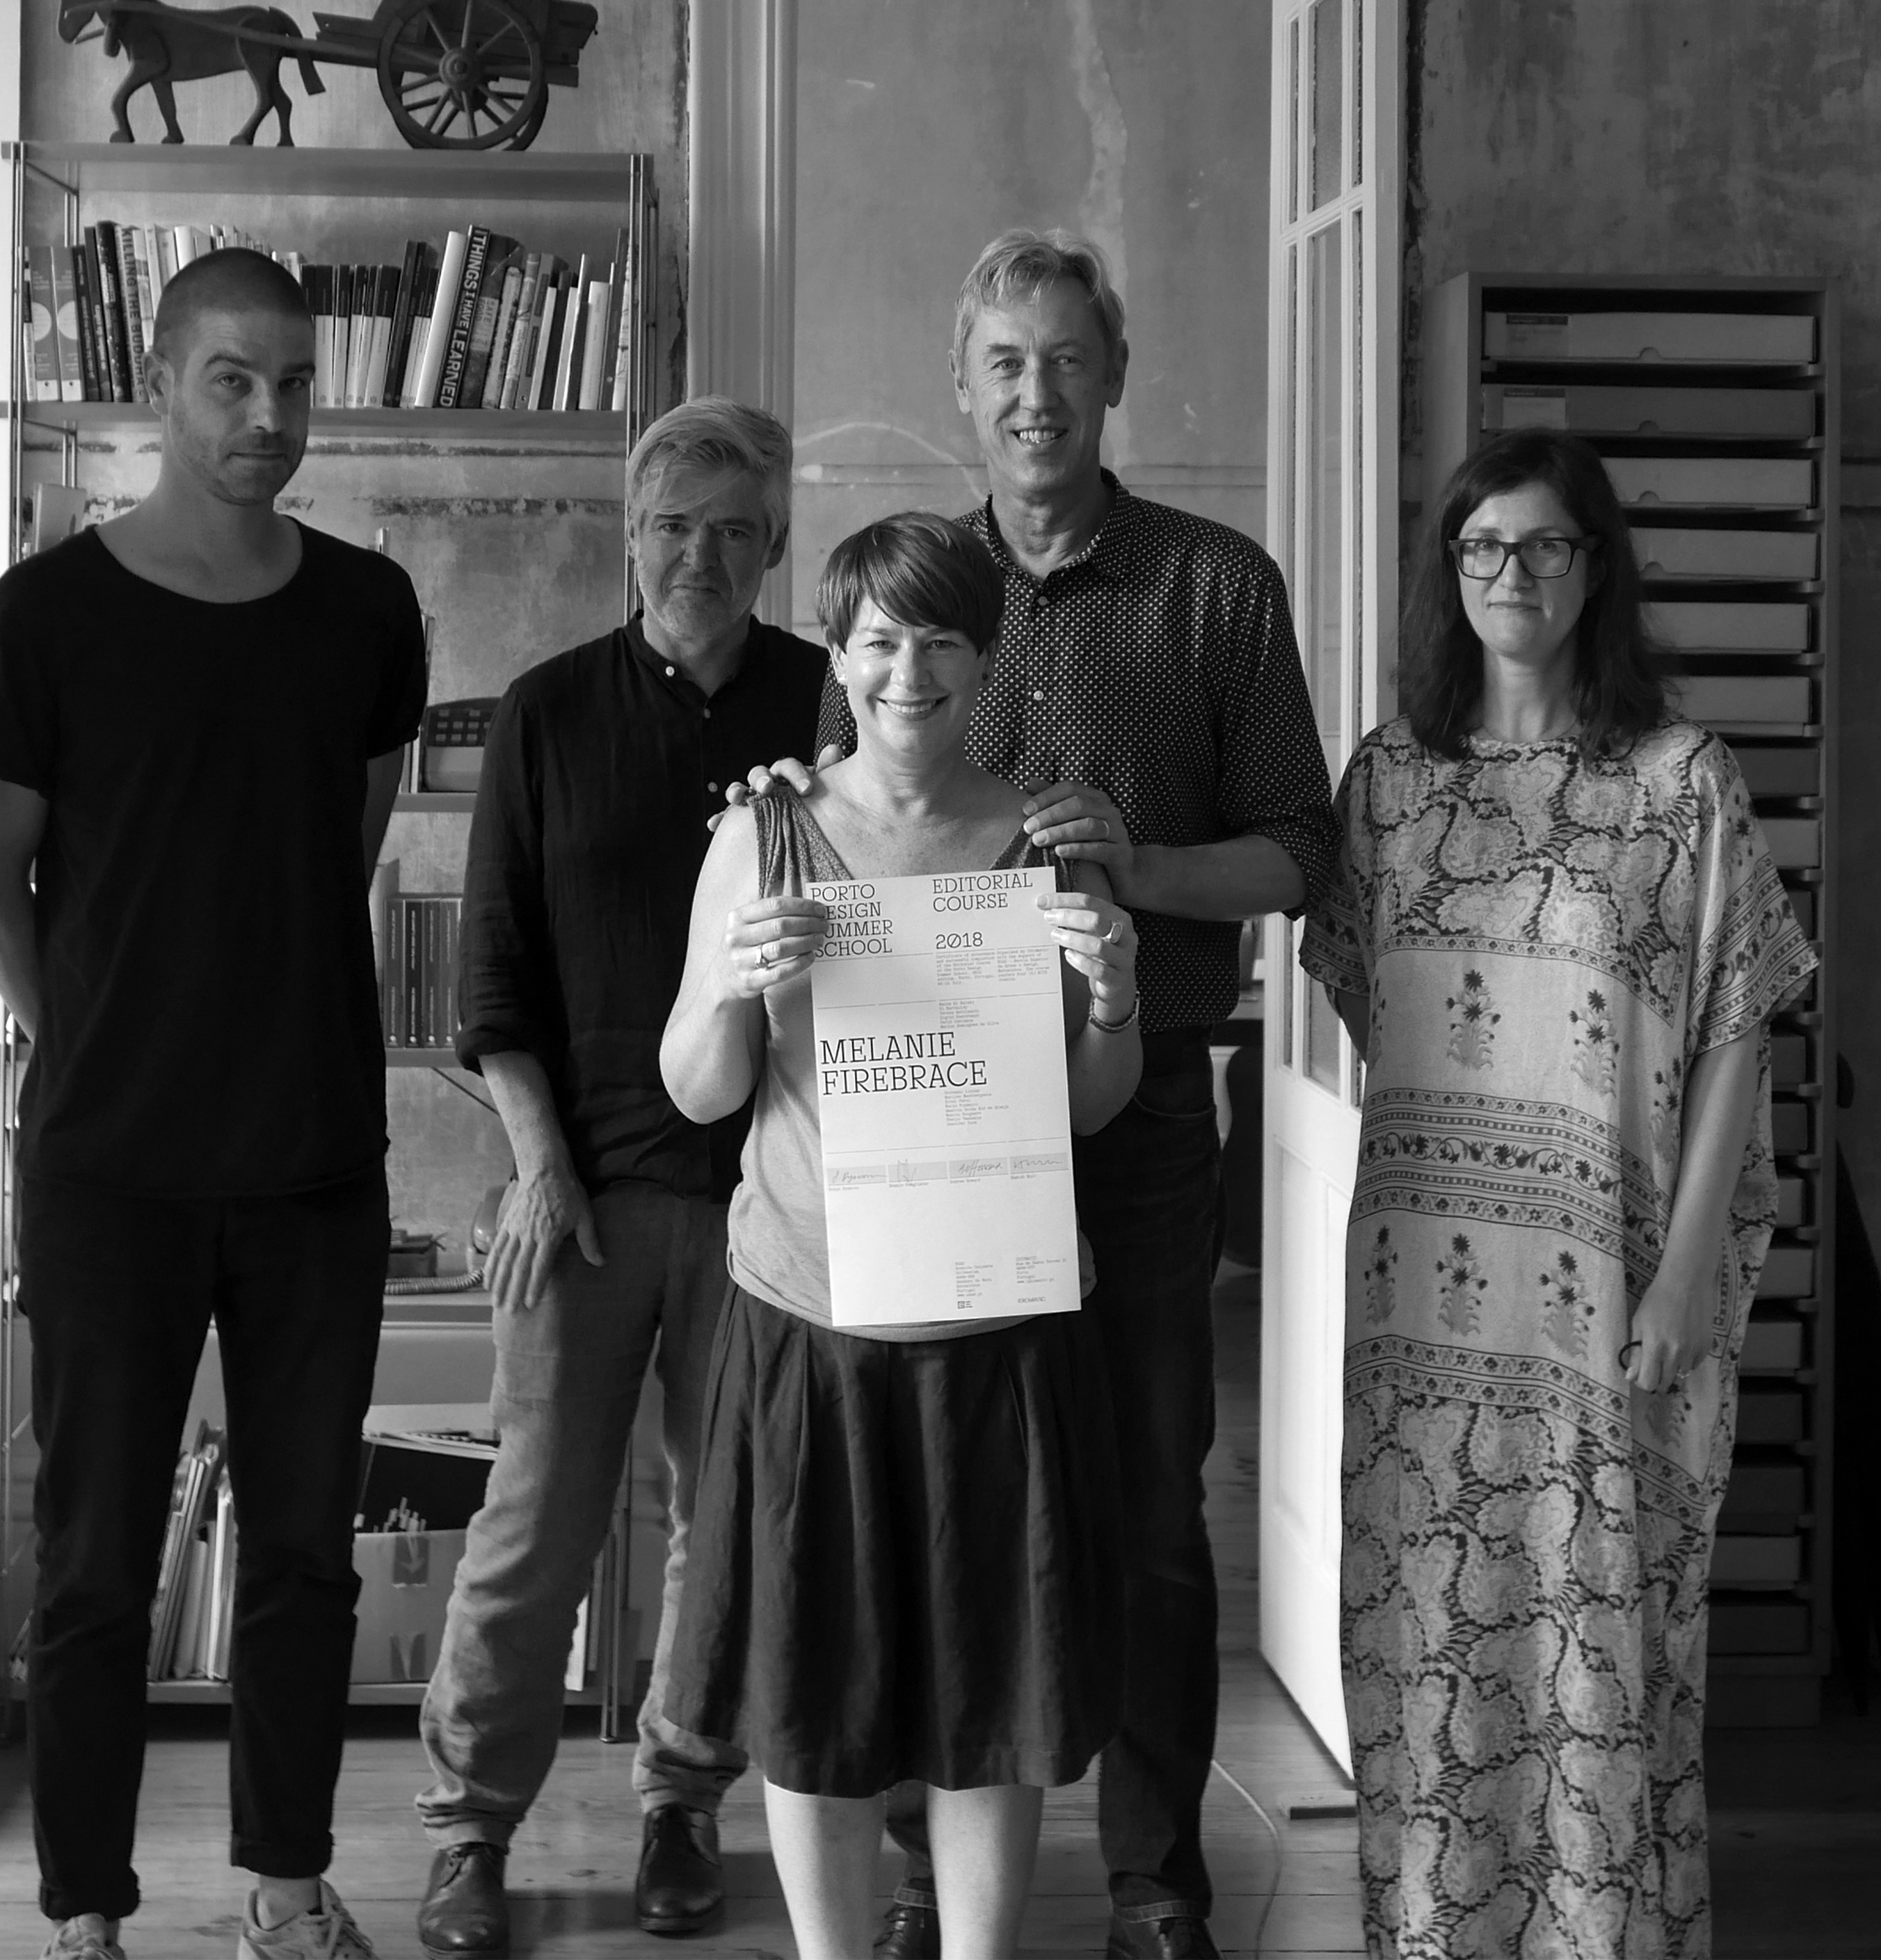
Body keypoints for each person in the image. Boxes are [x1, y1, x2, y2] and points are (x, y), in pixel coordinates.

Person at [747, 230, 1338, 1960]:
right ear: (961, 382)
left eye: (1066, 358)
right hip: (927, 1118)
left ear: (1113, 375)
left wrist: (1132, 867)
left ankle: (1153, 1884)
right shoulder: (911, 589)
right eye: (1003, 361)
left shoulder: (1216, 586)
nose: (1035, 392)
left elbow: (1298, 855)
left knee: (1146, 1500)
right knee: (938, 1492)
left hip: (1131, 1106)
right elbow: (839, 810)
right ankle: (923, 1880)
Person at [0, 248, 426, 1960]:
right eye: (233, 378)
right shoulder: (42, 618)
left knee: (304, 1552)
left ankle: (285, 1890)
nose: (269, 413)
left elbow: (346, 841)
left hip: (313, 1163)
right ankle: (85, 1912)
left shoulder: (368, 610)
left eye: (294, 380)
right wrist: (99, 1041)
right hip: (111, 1171)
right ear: (161, 383)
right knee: (91, 1561)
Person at [1299, 428, 1817, 1959]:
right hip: (1424, 1316)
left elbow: (1736, 1026)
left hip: (1607, 1297)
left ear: (1595, 568)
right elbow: (1370, 998)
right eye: (1480, 547)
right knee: (1423, 1635)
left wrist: (1679, 1276)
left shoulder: (1679, 783)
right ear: (1446, 572)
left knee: (1598, 1631)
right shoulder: (1389, 782)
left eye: (1542, 545)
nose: (1509, 574)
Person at [659, 509, 1142, 1960]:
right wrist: (730, 984)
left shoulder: (1043, 843)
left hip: (999, 1333)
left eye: (940, 640)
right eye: (878, 641)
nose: (908, 672)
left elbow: (1090, 1106)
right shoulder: (761, 833)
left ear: (985, 658)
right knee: (809, 1698)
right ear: (836, 654)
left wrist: (1115, 994)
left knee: (993, 1698)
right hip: (812, 1327)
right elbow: (699, 1090)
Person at [411, 399, 827, 1959]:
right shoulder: (546, 710)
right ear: (629, 536)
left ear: (772, 545)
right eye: (671, 526)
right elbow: (492, 977)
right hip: (579, 1201)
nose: (698, 557)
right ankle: (469, 1828)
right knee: (533, 1526)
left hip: (768, 1198)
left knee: (726, 1532)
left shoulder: (825, 703)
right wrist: (536, 1168)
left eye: (733, 530)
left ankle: (681, 1802)